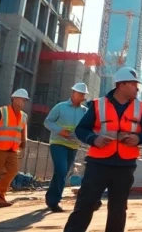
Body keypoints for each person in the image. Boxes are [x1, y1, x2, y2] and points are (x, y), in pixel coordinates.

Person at [64, 67, 142, 232]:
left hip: (125, 166)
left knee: (118, 209)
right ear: (121, 85)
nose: (137, 88)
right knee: (85, 204)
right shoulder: (98, 105)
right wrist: (94, 139)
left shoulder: (140, 107)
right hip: (98, 164)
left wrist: (138, 138)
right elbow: (81, 130)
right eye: (134, 84)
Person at [44, 82, 89, 212]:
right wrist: (59, 130)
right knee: (61, 170)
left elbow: (86, 128)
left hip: (73, 145)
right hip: (58, 143)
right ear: (73, 93)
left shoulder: (85, 111)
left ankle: (50, 197)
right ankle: (54, 201)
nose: (81, 96)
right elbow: (48, 121)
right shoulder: (60, 107)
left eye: (83, 94)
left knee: (63, 173)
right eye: (79, 93)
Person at [0, 88, 29, 208]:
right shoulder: (2, 111)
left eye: (25, 100)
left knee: (13, 171)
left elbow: (22, 130)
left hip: (13, 149)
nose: (23, 102)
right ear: (14, 99)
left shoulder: (24, 116)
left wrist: (23, 143)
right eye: (21, 99)